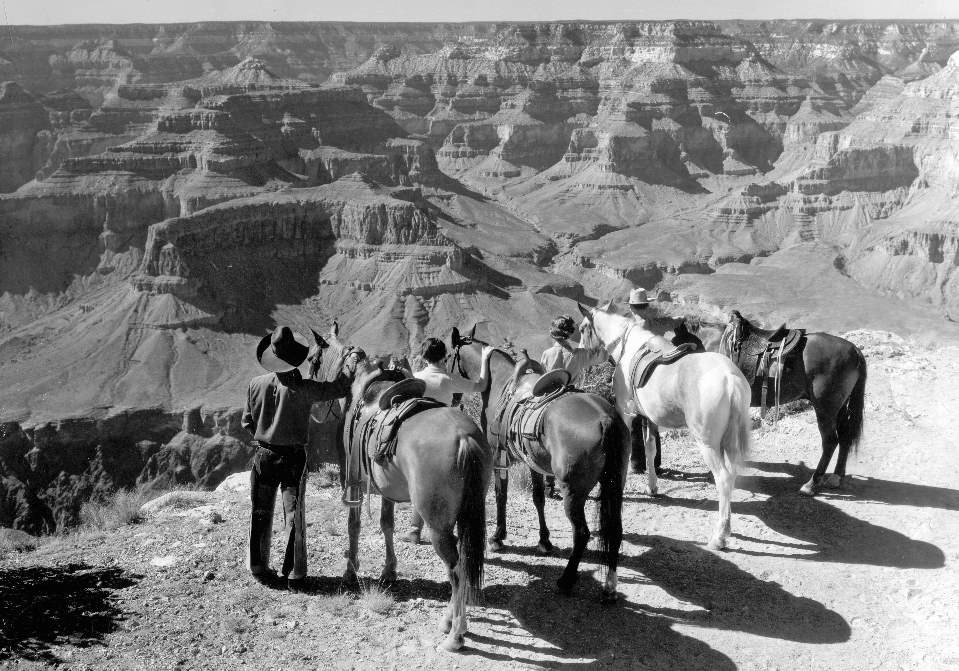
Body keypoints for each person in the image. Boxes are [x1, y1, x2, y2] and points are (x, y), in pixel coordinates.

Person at [243, 325, 352, 592]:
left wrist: (265, 433)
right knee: (294, 514)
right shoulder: (305, 388)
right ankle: (294, 573)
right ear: (295, 359)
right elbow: (338, 388)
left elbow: (247, 422)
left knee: (260, 509)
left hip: (263, 455)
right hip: (293, 457)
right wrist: (349, 362)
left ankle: (258, 567)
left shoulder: (255, 384)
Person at [399, 336, 494, 544]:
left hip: (420, 428)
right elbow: (481, 384)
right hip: (444, 425)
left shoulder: (417, 378)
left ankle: (415, 529)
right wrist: (485, 358)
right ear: (444, 357)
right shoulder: (448, 379)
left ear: (424, 357)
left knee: (417, 477)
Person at [626, 288, 664, 476]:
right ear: (647, 306)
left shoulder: (629, 327)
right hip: (656, 372)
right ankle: (655, 463)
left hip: (636, 374)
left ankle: (637, 463)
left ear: (632, 308)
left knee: (634, 419)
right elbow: (675, 322)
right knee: (653, 419)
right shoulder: (655, 324)